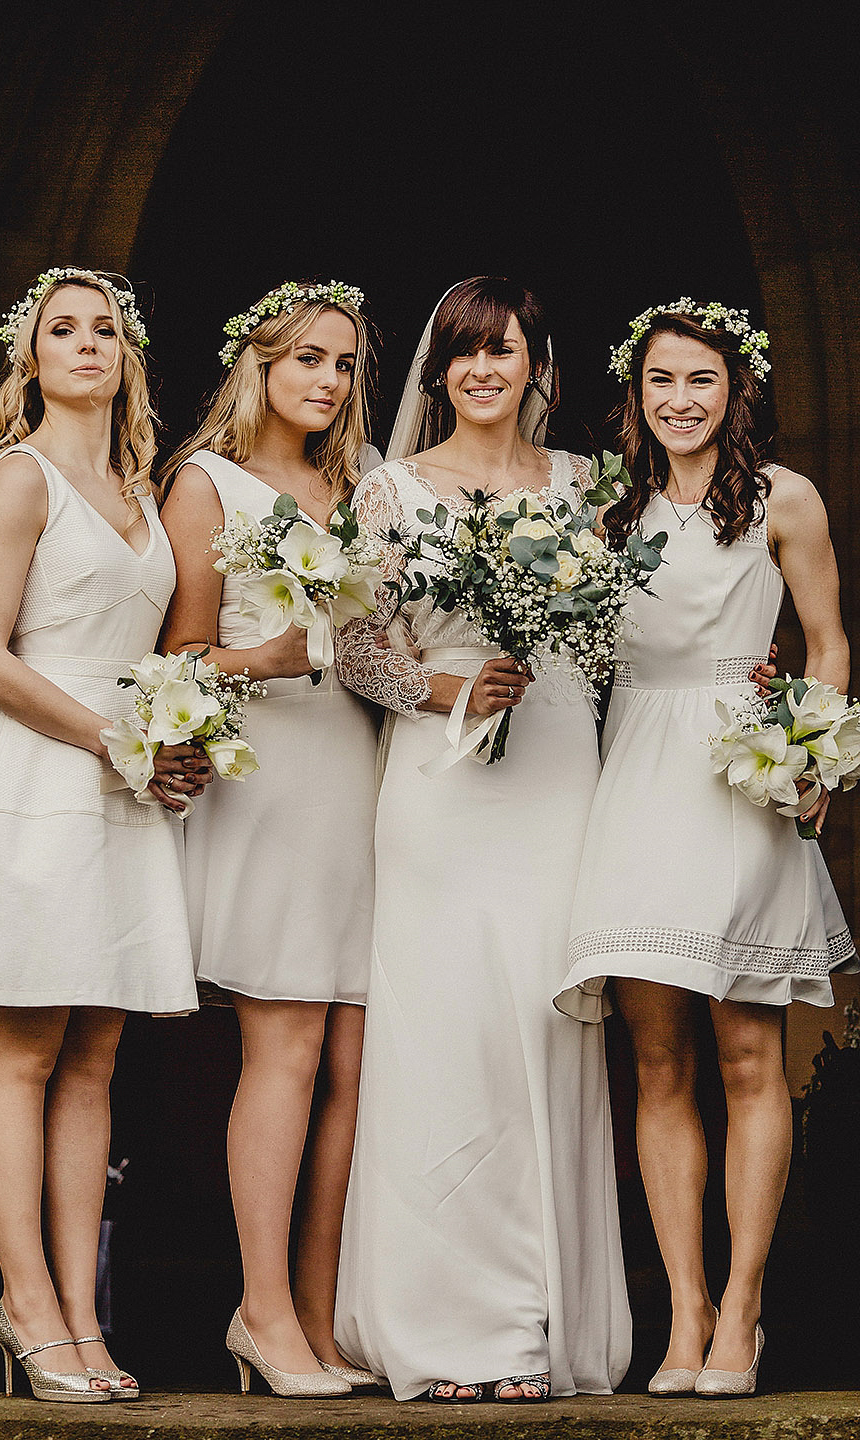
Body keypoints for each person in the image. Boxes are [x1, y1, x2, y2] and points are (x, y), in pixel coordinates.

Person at [0, 268, 212, 1401]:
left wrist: (177, 740)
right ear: (29, 359)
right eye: (61, 330)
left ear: (129, 355)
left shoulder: (137, 487)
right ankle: (25, 1307)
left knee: (96, 1059)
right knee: (24, 1048)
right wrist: (113, 740)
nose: (86, 345)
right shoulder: (20, 479)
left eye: (106, 330)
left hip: (122, 791)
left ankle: (84, 1315)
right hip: (42, 774)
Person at [332, 276, 632, 1403]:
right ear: (439, 368)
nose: (487, 369)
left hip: (557, 772)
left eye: (509, 350)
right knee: (444, 1039)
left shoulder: (588, 487)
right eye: (467, 351)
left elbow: (633, 625)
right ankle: (448, 1331)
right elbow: (357, 650)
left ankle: (541, 1327)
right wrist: (445, 683)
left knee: (543, 1030)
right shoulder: (392, 489)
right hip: (441, 784)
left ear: (540, 366)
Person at [554, 300, 858, 1397]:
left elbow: (824, 641)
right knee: (660, 1061)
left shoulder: (787, 501)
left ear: (739, 391)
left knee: (747, 1054)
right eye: (660, 382)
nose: (679, 400)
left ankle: (744, 1310)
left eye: (702, 381)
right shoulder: (603, 507)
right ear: (635, 396)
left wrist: (810, 752)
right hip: (634, 770)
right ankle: (680, 1312)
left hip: (739, 776)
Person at [158, 281, 380, 1398]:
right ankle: (260, 1311)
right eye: (307, 359)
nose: (327, 381)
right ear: (260, 361)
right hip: (272, 781)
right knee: (285, 1050)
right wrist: (278, 658)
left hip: (361, 777)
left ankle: (323, 1314)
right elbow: (181, 657)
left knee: (351, 1058)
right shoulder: (206, 484)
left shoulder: (360, 483)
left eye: (342, 363)